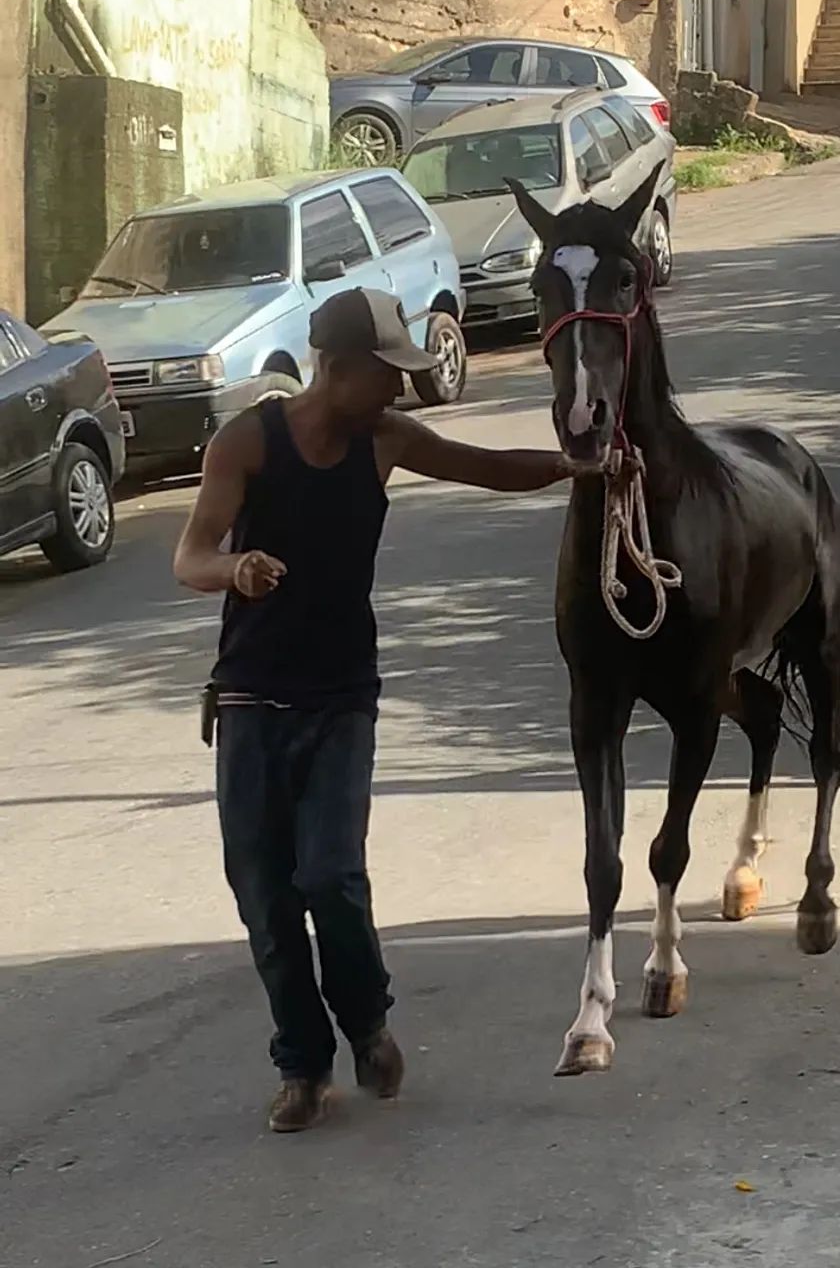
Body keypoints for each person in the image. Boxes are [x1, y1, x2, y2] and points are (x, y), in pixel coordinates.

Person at [173, 288, 590, 1134]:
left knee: (329, 873)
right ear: (335, 368)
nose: (400, 391)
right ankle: (302, 1067)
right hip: (250, 700)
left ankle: (365, 1024)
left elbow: (482, 464)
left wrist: (575, 468)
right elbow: (190, 555)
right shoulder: (246, 440)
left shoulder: (384, 441)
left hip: (340, 700)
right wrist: (236, 568)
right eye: (385, 374)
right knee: (263, 896)